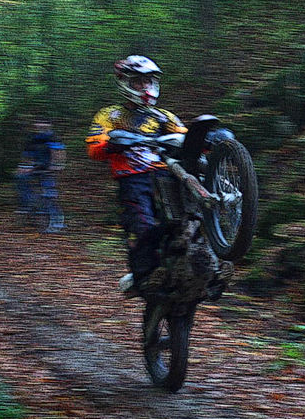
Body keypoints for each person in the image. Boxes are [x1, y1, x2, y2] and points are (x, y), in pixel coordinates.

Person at [87, 55, 226, 299]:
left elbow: (185, 139)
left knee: (194, 218)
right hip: (133, 178)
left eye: (149, 81)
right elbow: (94, 146)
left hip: (169, 175)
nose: (145, 87)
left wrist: (208, 140)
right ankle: (144, 275)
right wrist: (112, 143)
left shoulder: (163, 116)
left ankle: (212, 270)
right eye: (138, 82)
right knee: (142, 225)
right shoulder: (110, 115)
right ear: (125, 83)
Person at [16, 118, 66, 232]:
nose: (40, 125)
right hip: (36, 168)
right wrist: (23, 167)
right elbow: (27, 155)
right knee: (21, 179)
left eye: (43, 123)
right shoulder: (33, 138)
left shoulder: (52, 137)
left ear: (49, 125)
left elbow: (58, 152)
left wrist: (57, 165)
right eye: (38, 123)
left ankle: (56, 223)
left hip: (47, 169)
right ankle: (29, 206)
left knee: (49, 194)